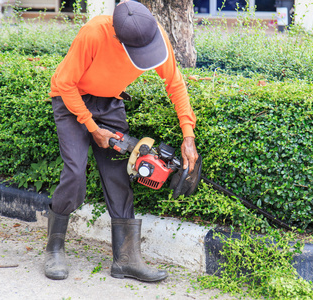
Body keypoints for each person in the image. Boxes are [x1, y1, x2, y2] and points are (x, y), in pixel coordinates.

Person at [45, 0, 198, 282]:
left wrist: (188, 134)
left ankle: (126, 259)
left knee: (118, 176)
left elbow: (175, 83)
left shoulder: (154, 35)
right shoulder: (94, 34)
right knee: (75, 173)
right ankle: (54, 247)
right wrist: (91, 126)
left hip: (111, 103)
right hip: (71, 101)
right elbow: (65, 83)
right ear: (118, 37)